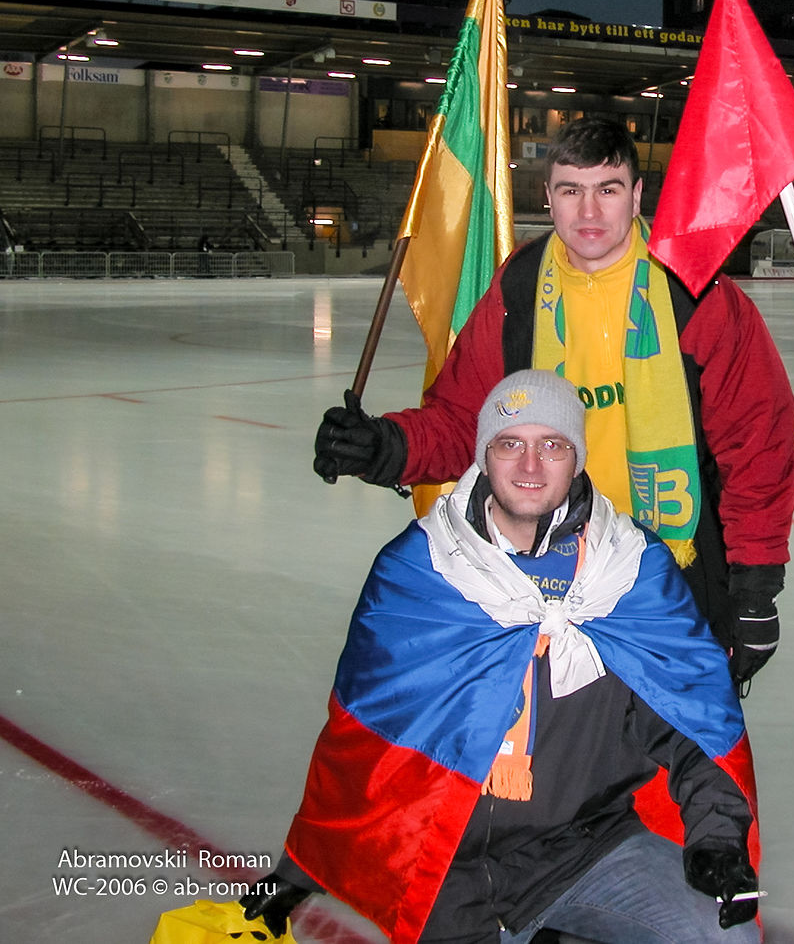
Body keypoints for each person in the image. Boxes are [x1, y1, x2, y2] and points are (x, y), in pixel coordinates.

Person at [244, 370, 761, 944]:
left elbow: (691, 723)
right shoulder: (420, 569)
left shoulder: (630, 572)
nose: (530, 465)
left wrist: (717, 839)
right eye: (510, 443)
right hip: (445, 872)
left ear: (577, 458)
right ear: (484, 455)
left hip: (582, 849)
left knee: (726, 938)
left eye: (553, 445)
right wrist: (299, 870)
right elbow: (364, 743)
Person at [312, 117, 794, 690]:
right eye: (571, 190)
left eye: (607, 189)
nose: (589, 211)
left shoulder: (695, 290)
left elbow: (756, 446)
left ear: (637, 194)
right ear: (547, 196)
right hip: (543, 574)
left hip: (670, 575)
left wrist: (755, 588)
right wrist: (385, 446)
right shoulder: (519, 288)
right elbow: (468, 420)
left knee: (670, 742)